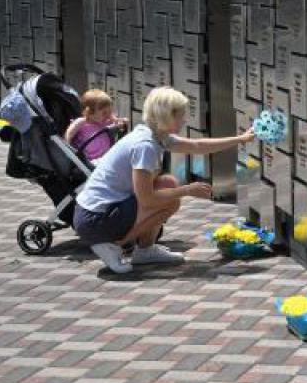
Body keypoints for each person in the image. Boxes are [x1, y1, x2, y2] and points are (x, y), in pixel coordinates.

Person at [72, 86, 255, 273]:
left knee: (168, 185)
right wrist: (187, 190)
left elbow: (198, 146)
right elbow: (146, 199)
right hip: (94, 220)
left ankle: (145, 251)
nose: (185, 119)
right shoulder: (145, 146)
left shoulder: (155, 135)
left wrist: (240, 139)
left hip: (99, 213)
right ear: (166, 116)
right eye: (180, 115)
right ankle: (112, 245)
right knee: (170, 200)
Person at [64, 89, 128, 162]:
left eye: (110, 112)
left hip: (104, 158)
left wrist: (121, 122)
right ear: (89, 113)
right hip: (87, 160)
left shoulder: (105, 121)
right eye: (104, 113)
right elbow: (69, 134)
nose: (108, 115)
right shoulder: (82, 122)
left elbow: (118, 123)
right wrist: (68, 149)